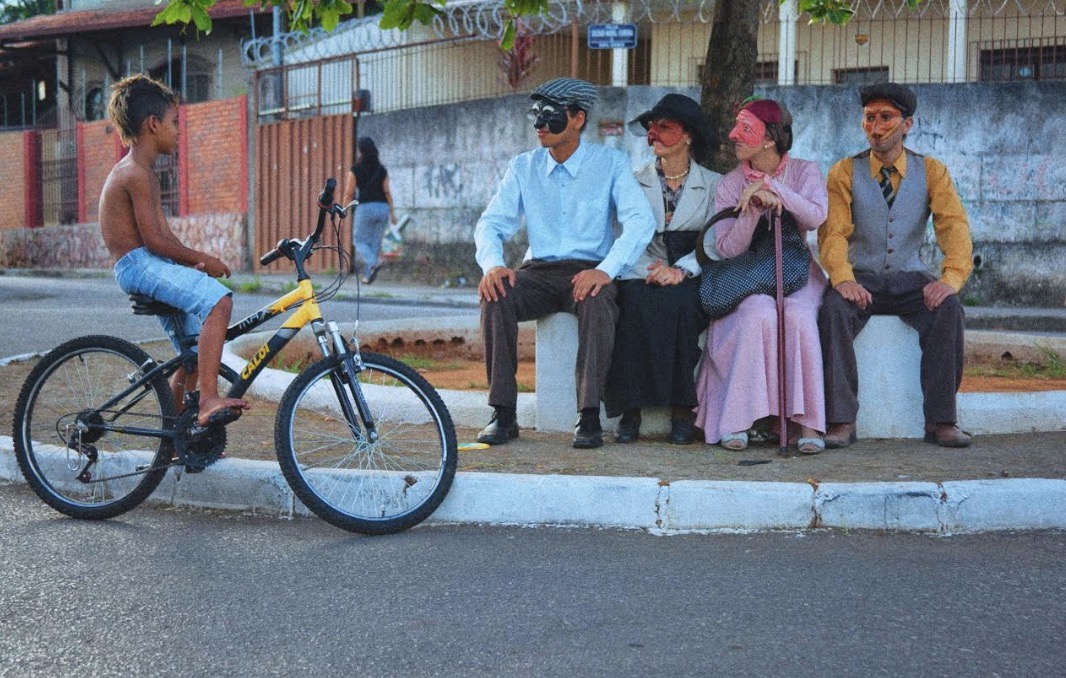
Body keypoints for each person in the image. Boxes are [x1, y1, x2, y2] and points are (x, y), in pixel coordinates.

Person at [474, 77, 656, 449]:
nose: (539, 124)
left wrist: (605, 270)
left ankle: (588, 415)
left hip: (588, 270)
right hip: (538, 272)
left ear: (577, 118)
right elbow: (491, 223)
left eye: (550, 114)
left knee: (596, 299)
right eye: (535, 114)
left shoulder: (610, 163)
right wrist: (493, 264)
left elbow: (640, 220)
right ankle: (503, 413)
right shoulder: (523, 167)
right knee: (496, 293)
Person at [818, 83, 973, 449]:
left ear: (907, 124)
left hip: (909, 278)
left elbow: (953, 225)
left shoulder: (931, 171)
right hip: (861, 278)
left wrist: (950, 279)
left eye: (886, 117)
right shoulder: (844, 171)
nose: (876, 127)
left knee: (948, 309)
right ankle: (841, 420)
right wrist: (842, 278)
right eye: (869, 118)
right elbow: (833, 232)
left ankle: (941, 420)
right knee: (832, 310)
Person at [99, 74, 248, 427]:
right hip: (138, 264)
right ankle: (208, 399)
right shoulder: (134, 173)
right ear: (153, 124)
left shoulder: (143, 173)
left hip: (147, 263)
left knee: (193, 354)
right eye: (174, 122)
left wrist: (186, 264)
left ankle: (175, 434)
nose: (179, 131)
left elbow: (165, 239)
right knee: (219, 302)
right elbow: (154, 241)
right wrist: (205, 259)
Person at [693, 98, 828, 453]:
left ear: (769, 138)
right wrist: (751, 209)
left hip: (796, 269)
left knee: (798, 316)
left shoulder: (805, 171)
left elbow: (815, 217)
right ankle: (738, 419)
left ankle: (806, 423)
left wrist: (773, 189)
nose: (733, 135)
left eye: (745, 128)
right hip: (746, 272)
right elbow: (727, 249)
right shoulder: (729, 184)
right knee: (757, 314)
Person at [603, 94, 722, 445]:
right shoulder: (632, 180)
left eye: (664, 127)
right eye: (651, 128)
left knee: (682, 306)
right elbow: (620, 234)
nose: (653, 135)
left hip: (691, 270)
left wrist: (680, 270)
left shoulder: (714, 184)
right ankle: (630, 411)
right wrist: (648, 270)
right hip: (640, 269)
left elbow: (715, 240)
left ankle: (682, 410)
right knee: (632, 305)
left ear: (688, 135)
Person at [342, 137, 397, 284]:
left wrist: (344, 209)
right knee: (374, 245)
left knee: (358, 241)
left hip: (365, 207)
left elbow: (349, 193)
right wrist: (392, 213)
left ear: (361, 151)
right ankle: (367, 277)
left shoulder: (355, 169)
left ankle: (374, 262)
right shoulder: (382, 169)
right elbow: (387, 192)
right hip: (383, 208)